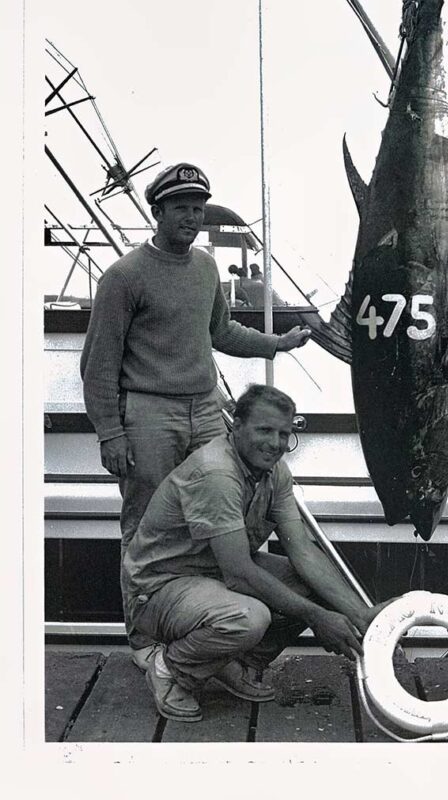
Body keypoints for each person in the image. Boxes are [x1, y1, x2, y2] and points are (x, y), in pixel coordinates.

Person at [80, 162, 311, 666]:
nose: (191, 216)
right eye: (181, 207)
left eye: (198, 208)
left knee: (220, 514)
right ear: (157, 211)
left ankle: (213, 628)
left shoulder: (206, 267)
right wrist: (110, 434)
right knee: (145, 526)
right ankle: (145, 642)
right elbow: (97, 366)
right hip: (148, 415)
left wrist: (278, 344)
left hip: (206, 408)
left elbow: (222, 333)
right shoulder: (123, 276)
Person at [123, 384, 386, 722]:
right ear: (236, 424)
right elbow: (239, 573)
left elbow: (303, 552)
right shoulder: (217, 472)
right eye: (264, 430)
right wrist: (317, 617)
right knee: (249, 617)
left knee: (308, 584)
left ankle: (236, 665)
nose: (275, 444)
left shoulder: (275, 472)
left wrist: (358, 614)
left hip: (211, 575)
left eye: (283, 434)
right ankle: (171, 670)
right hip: (160, 587)